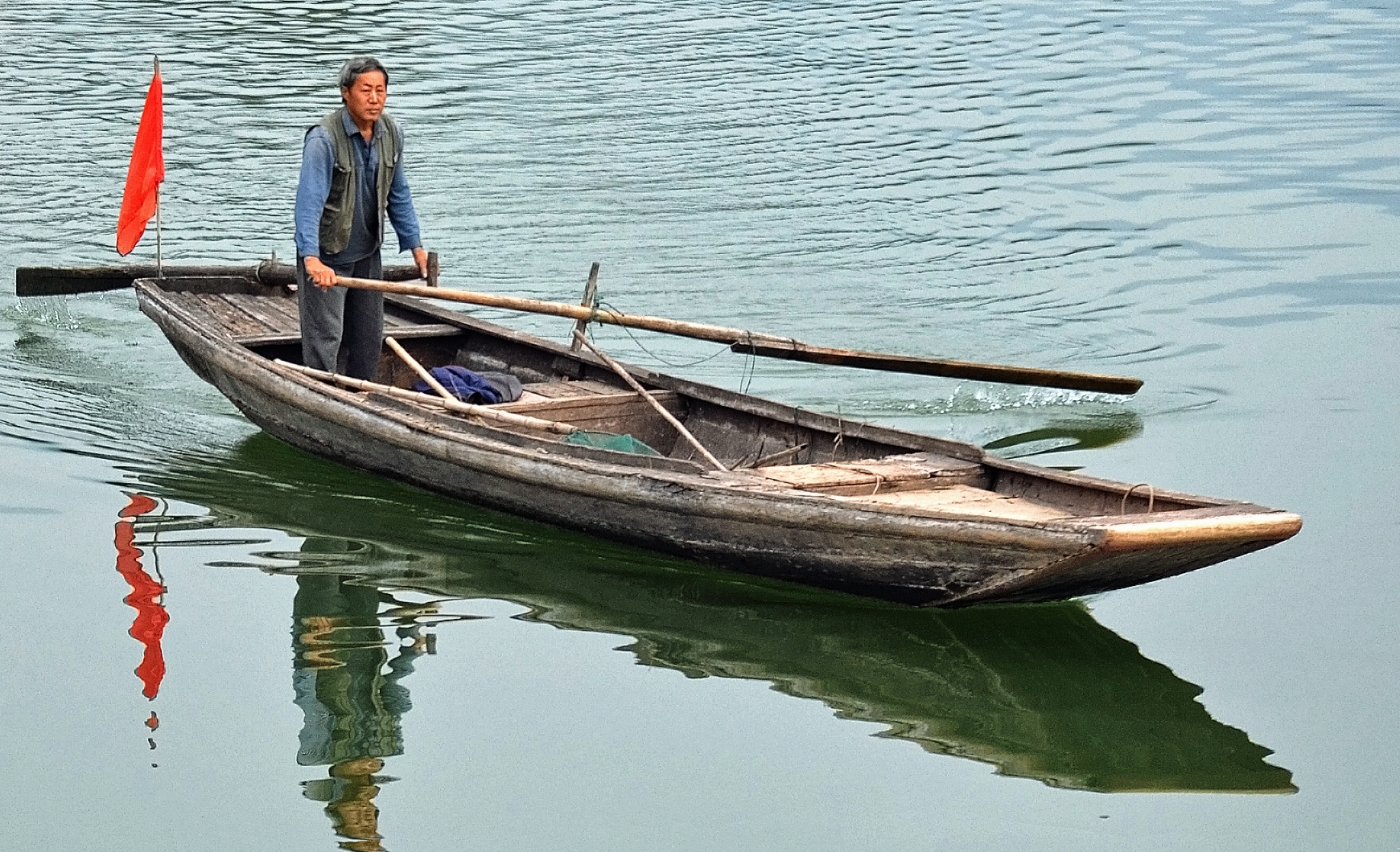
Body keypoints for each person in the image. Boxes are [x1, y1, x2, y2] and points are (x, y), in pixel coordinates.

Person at [295, 56, 429, 380]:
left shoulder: (391, 132)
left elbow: (399, 193)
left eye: (380, 90)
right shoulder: (323, 140)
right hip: (329, 256)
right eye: (365, 90)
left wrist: (415, 245)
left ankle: (362, 397)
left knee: (369, 338)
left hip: (367, 253)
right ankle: (322, 397)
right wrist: (311, 259)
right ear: (345, 93)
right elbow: (308, 203)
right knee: (326, 337)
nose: (374, 99)